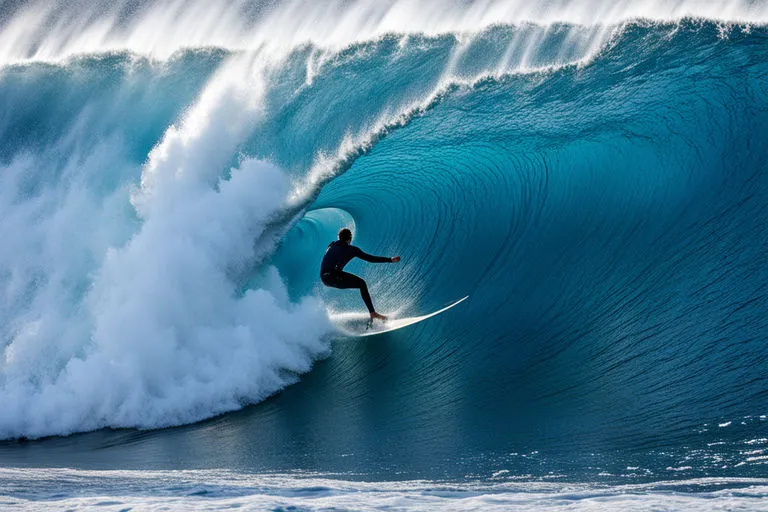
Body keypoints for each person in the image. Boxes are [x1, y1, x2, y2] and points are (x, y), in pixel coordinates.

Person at [320, 228, 400, 323]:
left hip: (324, 278)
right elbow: (370, 259)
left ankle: (372, 314)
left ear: (339, 237)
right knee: (362, 284)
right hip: (333, 276)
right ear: (349, 238)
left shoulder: (331, 245)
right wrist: (390, 260)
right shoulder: (352, 249)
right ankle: (373, 314)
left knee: (358, 282)